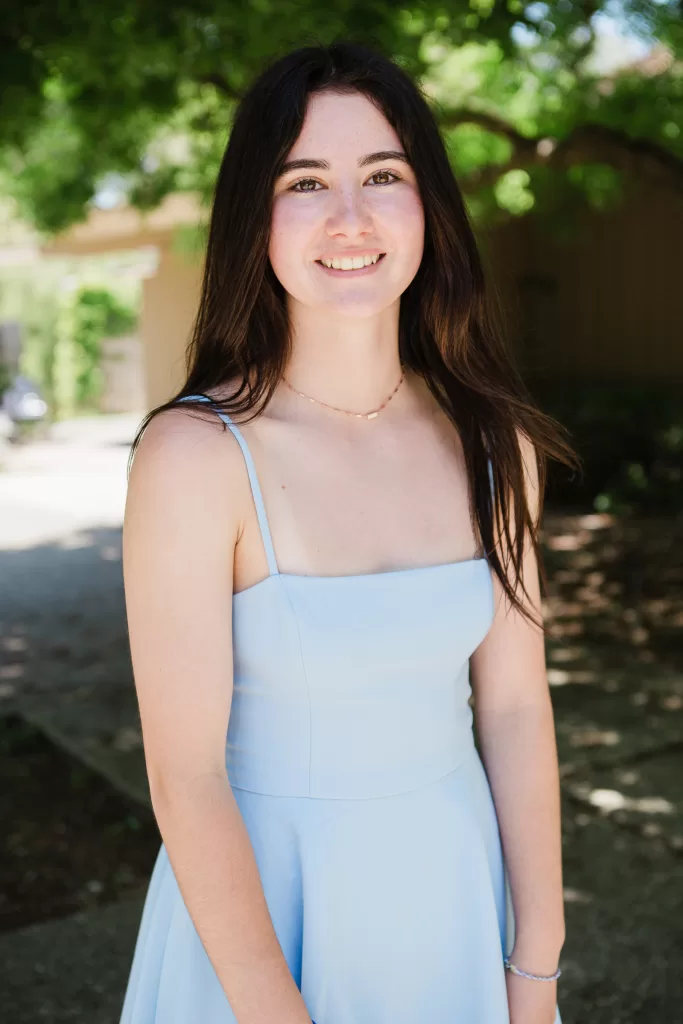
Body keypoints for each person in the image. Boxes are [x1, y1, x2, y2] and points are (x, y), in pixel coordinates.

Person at [120, 40, 578, 1024]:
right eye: (305, 181)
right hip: (259, 936)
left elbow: (510, 711)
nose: (349, 216)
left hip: (452, 900)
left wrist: (534, 962)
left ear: (429, 208)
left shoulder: (493, 443)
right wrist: (274, 1011)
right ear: (256, 217)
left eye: (382, 174)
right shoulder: (196, 456)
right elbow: (184, 774)